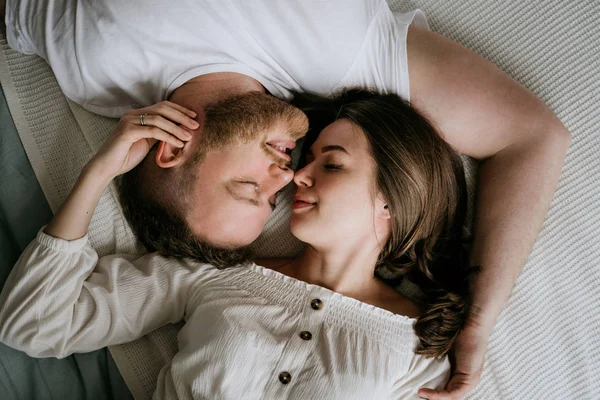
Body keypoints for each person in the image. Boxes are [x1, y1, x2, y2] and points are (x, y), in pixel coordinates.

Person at [1, 0, 571, 397]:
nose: (288, 178)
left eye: (250, 188)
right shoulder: (346, 57)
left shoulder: (90, 64)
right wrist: (476, 324)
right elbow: (532, 137)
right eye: (266, 196)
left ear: (173, 151)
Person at [0, 89, 476, 398]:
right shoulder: (215, 276)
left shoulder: (421, 348)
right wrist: (100, 172)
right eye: (306, 159)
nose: (296, 175)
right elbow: (33, 324)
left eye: (331, 165)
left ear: (392, 200)